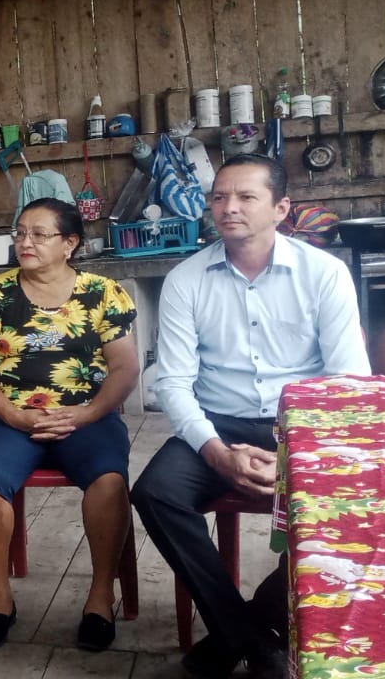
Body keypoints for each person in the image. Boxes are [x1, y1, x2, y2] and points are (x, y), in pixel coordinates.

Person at [131, 153, 369, 679]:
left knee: (353, 500)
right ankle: (251, 639)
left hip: (302, 427)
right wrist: (216, 452)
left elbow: (347, 381)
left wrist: (292, 457)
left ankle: (246, 628)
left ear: (281, 208)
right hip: (219, 422)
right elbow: (173, 382)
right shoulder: (187, 279)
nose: (228, 208)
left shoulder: (324, 274)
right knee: (155, 492)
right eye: (219, 197)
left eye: (245, 197)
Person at [0, 198, 139, 651]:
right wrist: (13, 414)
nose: (25, 242)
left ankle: (101, 597)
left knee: (108, 482)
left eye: (39, 234)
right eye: (20, 233)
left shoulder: (104, 293)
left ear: (69, 243)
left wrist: (88, 413)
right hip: (10, 417)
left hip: (86, 415)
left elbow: (124, 368)